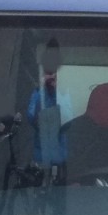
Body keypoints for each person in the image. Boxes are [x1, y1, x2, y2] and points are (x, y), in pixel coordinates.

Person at [26, 38, 73, 185]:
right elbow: (32, 118)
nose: (51, 77)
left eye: (54, 73)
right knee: (39, 196)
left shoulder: (64, 94)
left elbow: (67, 122)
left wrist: (58, 92)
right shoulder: (37, 93)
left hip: (60, 157)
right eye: (48, 73)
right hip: (41, 157)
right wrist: (42, 90)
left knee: (60, 199)